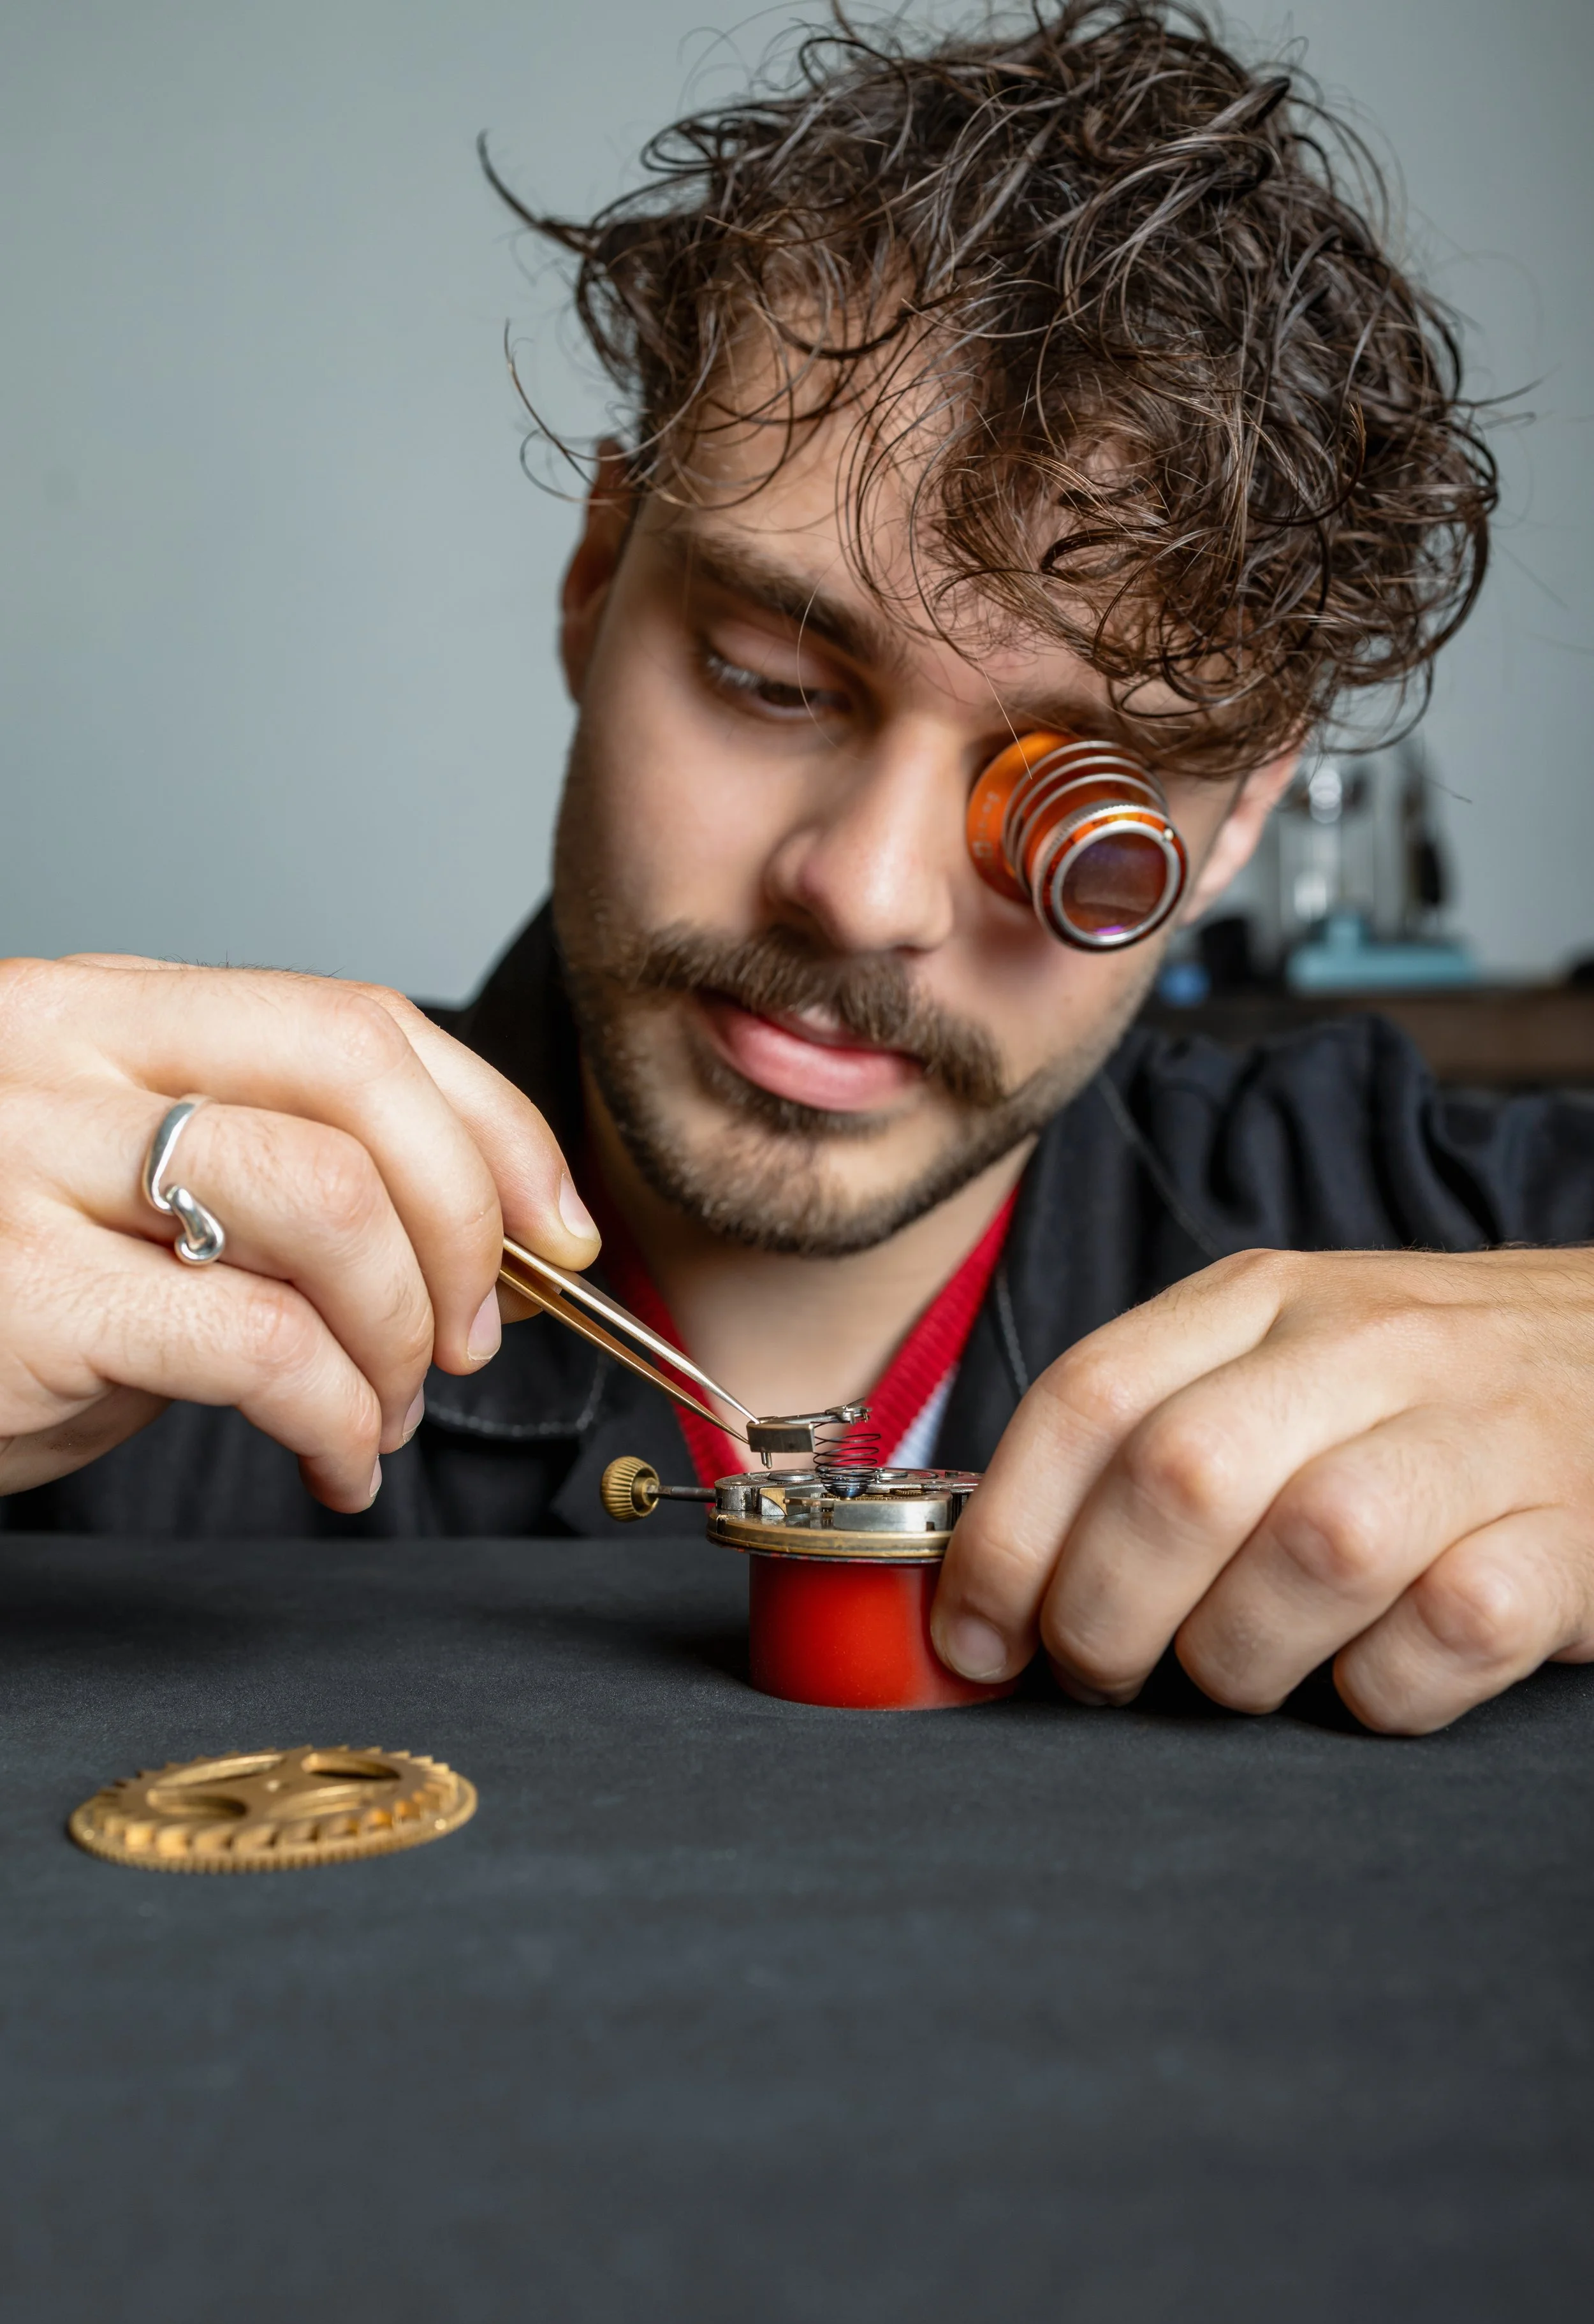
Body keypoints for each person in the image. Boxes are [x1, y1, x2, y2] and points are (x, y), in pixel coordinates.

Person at [4, 1, 1591, 1741]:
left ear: (1229, 826)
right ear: (595, 580)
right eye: (770, 682)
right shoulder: (120, 1272)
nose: (868, 891)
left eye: (1079, 806)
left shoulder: (1450, 1213)